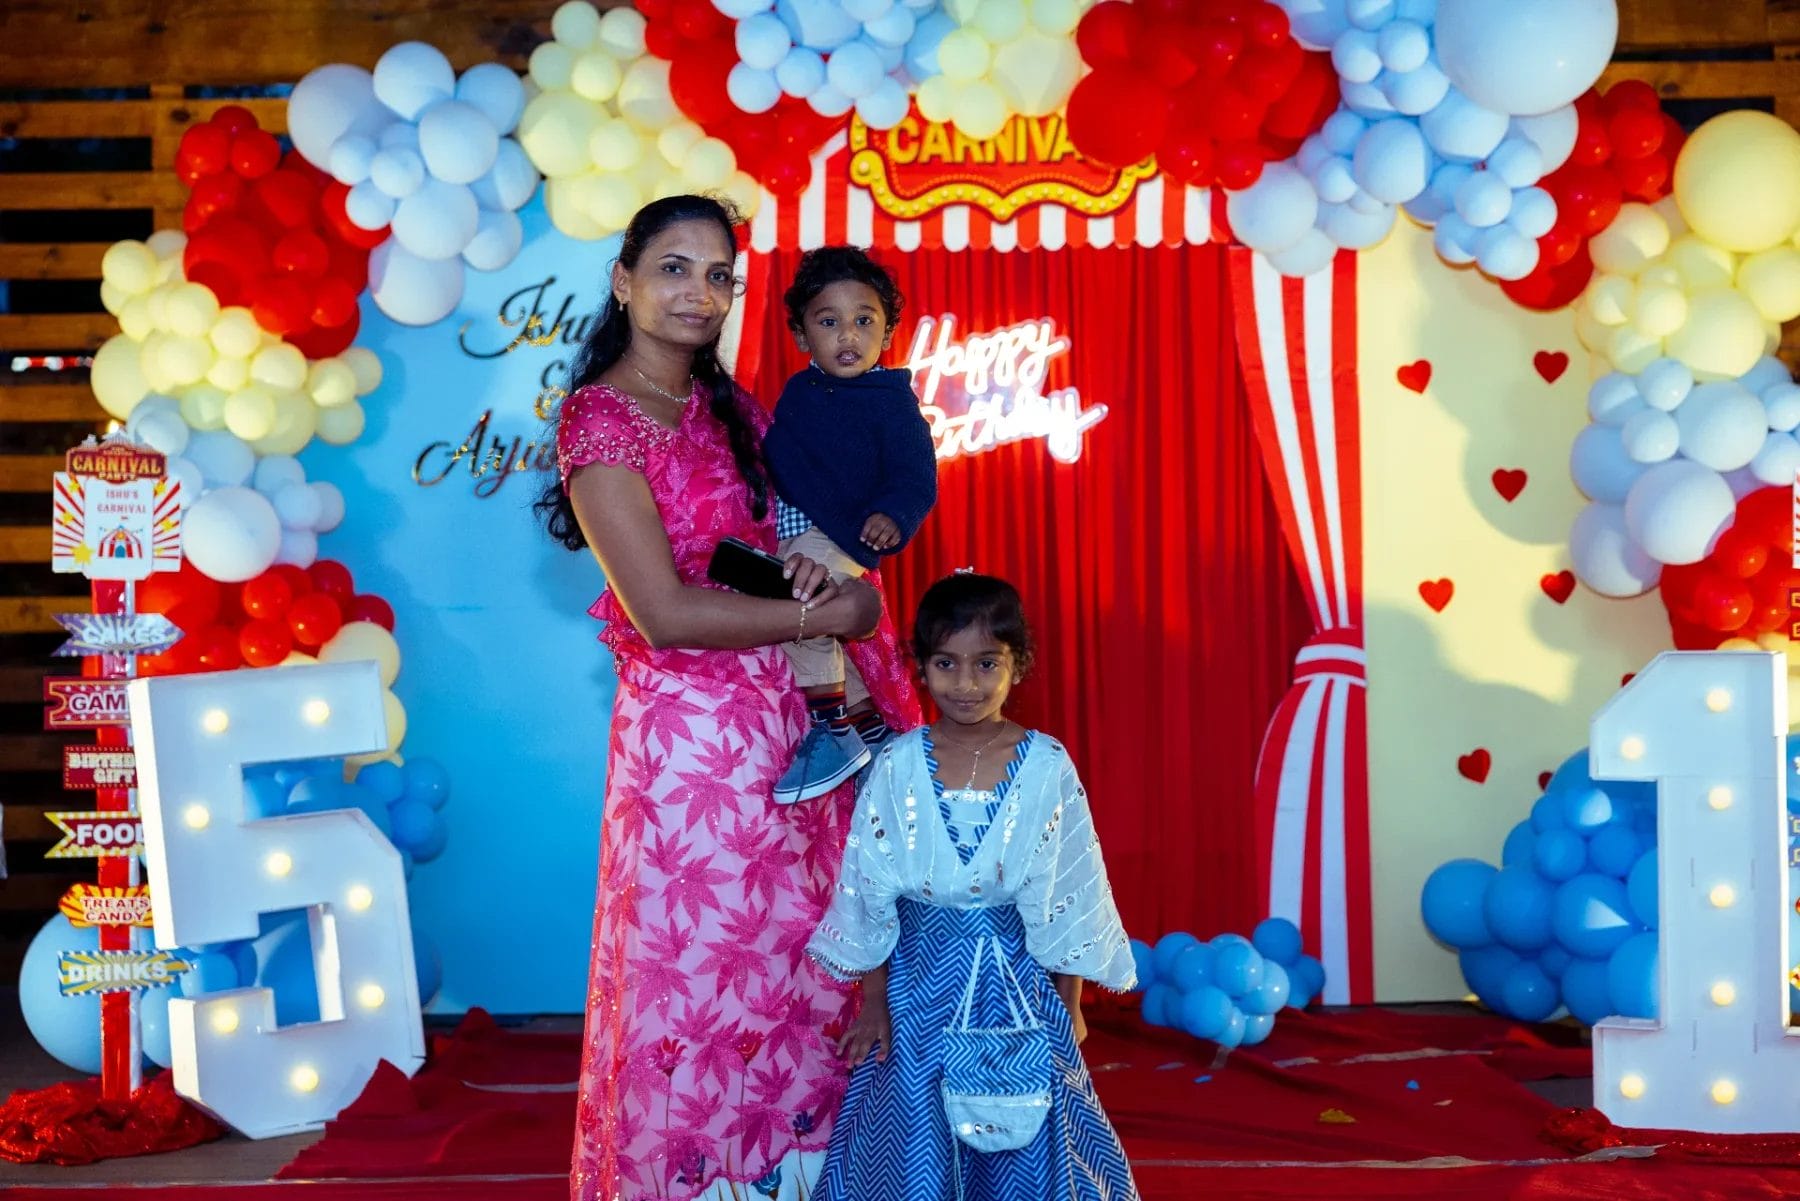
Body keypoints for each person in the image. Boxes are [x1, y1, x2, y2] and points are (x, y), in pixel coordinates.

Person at [536, 194, 922, 1201]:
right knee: (708, 987)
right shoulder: (601, 418)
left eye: (719, 276)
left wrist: (843, 586)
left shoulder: (735, 406)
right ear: (624, 282)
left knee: (809, 972)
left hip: (800, 740)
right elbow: (662, 611)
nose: (698, 294)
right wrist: (821, 621)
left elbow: (786, 540)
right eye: (673, 268)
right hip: (696, 764)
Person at [806, 573, 1140, 1201]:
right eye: (946, 663)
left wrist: (1068, 1005)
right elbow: (870, 893)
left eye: (987, 663)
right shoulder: (898, 763)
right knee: (913, 1117)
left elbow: (1068, 898)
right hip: (916, 985)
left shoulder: (1047, 764)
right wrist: (874, 1002)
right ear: (921, 667)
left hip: (1019, 986)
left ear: (1019, 664)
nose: (965, 684)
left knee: (1029, 1118)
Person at [763, 246, 938, 804]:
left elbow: (916, 476)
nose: (848, 335)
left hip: (842, 533)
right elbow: (779, 456)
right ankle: (870, 730)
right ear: (800, 336)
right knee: (821, 626)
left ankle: (831, 730)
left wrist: (894, 514)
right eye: (829, 321)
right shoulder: (799, 392)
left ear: (887, 334)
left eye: (864, 321)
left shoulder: (889, 401)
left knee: (800, 612)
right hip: (792, 527)